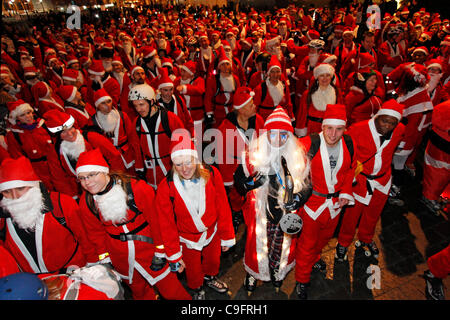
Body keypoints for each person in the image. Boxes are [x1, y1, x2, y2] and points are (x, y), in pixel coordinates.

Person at [76, 148, 191, 300]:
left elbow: (159, 223)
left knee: (172, 291)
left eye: (91, 175)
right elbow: (96, 234)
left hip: (151, 252)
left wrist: (162, 252)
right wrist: (106, 260)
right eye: (82, 178)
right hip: (121, 259)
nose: (87, 182)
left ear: (104, 171)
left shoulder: (138, 188)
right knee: (140, 294)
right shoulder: (87, 202)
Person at [234, 106, 310, 295]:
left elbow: (308, 185)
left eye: (283, 135)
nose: (278, 139)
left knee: (280, 248)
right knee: (256, 248)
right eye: (273, 134)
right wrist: (250, 183)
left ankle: (277, 270)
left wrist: (299, 198)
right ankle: (252, 273)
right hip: (261, 215)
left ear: (289, 136)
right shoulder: (252, 156)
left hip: (284, 216)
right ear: (266, 134)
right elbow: (238, 183)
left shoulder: (298, 157)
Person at [155, 131, 235, 299]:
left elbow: (223, 206)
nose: (184, 169)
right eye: (178, 164)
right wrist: (174, 253)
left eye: (188, 162)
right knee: (192, 268)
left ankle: (210, 277)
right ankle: (197, 287)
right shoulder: (166, 187)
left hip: (212, 231)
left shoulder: (212, 174)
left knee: (213, 261)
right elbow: (166, 223)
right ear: (172, 164)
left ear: (196, 158)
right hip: (186, 237)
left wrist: (227, 235)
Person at [294, 104, 356, 300]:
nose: (333, 134)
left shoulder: (348, 143)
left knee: (323, 239)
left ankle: (315, 259)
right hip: (313, 205)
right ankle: (302, 280)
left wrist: (346, 191)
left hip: (335, 206)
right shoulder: (308, 143)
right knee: (307, 244)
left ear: (344, 129)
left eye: (339, 129)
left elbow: (350, 169)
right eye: (329, 128)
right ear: (323, 127)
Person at [335, 100, 406, 261]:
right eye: (384, 120)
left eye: (392, 123)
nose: (388, 125)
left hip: (383, 181)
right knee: (351, 216)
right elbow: (345, 154)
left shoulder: (400, 129)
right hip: (360, 181)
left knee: (373, 214)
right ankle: (343, 242)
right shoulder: (358, 129)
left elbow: (399, 145)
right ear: (377, 116)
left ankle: (366, 238)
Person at [0, 157, 96, 274]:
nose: (15, 196)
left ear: (34, 185)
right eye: (7, 191)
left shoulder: (62, 204)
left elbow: (86, 238)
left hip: (74, 274)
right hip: (35, 283)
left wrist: (94, 265)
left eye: (20, 188)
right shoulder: (2, 219)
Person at [44, 109, 126, 198]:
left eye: (71, 128)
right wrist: (73, 197)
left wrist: (116, 181)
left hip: (106, 184)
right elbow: (59, 179)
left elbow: (114, 157)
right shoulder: (55, 152)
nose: (70, 134)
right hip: (82, 193)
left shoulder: (91, 138)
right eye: (63, 132)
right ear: (58, 136)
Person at [217, 86, 265, 231]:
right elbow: (223, 157)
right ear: (242, 109)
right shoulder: (225, 128)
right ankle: (236, 214)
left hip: (256, 167)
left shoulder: (258, 120)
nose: (255, 106)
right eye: (251, 105)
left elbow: (264, 142)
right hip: (236, 170)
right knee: (236, 196)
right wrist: (229, 180)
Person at [128, 83, 185, 189]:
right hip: (150, 173)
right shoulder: (137, 123)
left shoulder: (170, 118)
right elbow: (136, 148)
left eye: (141, 104)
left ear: (152, 101)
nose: (139, 109)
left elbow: (183, 145)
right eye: (135, 106)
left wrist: (180, 168)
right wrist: (140, 169)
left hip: (170, 169)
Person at [419, 100, 449, 216]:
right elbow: (437, 114)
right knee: (437, 174)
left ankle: (441, 194)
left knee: (442, 174)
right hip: (441, 147)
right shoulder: (446, 106)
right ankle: (429, 197)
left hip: (443, 146)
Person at [295, 63, 340, 137]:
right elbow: (302, 114)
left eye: (328, 75)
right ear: (317, 78)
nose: (325, 78)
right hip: (312, 130)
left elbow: (339, 113)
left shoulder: (336, 93)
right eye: (322, 75)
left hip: (330, 130)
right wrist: (301, 130)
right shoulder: (307, 94)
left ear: (331, 77)